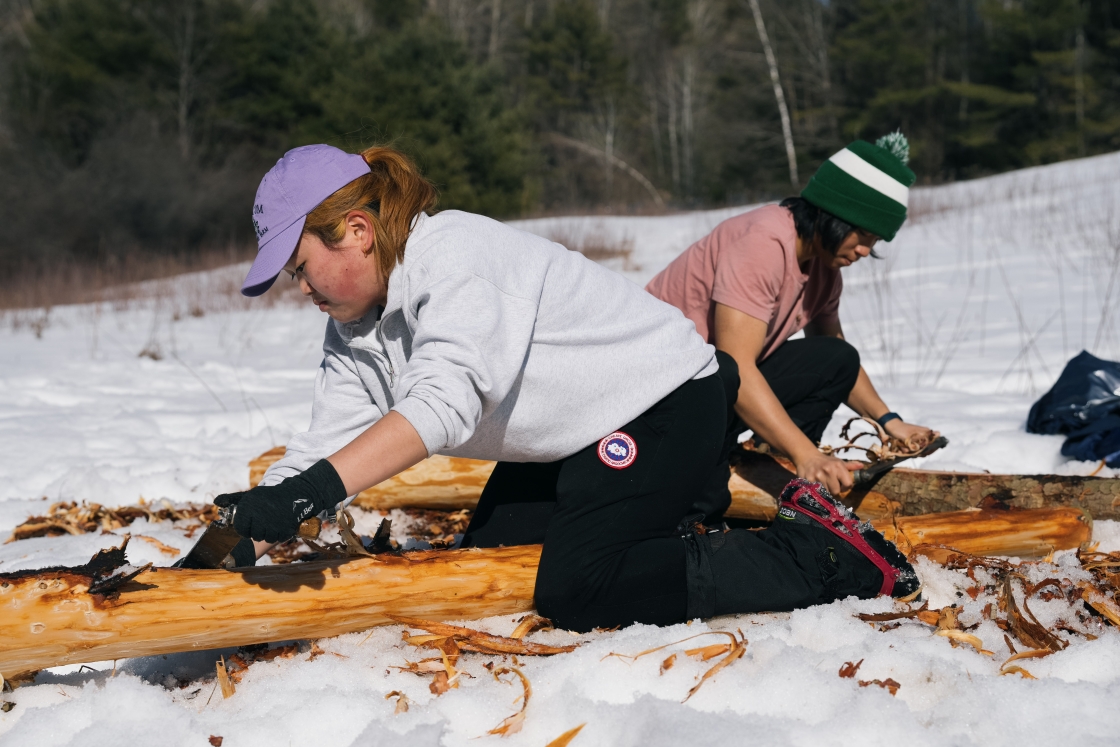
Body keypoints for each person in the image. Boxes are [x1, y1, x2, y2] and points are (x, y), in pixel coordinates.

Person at [213, 143, 918, 633]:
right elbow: (320, 440)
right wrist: (236, 534)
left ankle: (823, 558)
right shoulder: (354, 326)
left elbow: (441, 405)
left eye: (300, 267)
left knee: (578, 584)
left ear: (358, 232)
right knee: (490, 566)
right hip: (579, 436)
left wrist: (317, 490)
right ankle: (667, 516)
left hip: (667, 402)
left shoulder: (454, 258)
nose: (297, 288)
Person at [647, 133, 937, 497]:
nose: (865, 250)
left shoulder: (824, 267)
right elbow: (734, 364)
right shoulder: (764, 243)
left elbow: (835, 356)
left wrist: (890, 422)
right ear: (834, 214)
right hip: (660, 397)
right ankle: (740, 473)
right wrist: (808, 455)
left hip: (713, 388)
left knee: (837, 358)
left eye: (875, 242)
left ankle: (769, 458)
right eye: (862, 235)